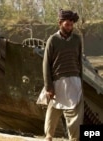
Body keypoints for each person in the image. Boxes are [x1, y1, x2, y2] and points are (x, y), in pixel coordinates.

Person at [43, 9, 83, 141]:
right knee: (54, 110)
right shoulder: (52, 40)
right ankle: (49, 136)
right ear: (60, 23)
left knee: (75, 113)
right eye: (67, 25)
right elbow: (46, 64)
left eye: (71, 25)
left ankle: (74, 138)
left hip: (75, 81)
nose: (70, 27)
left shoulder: (77, 39)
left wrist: (80, 82)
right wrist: (49, 86)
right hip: (58, 81)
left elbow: (79, 62)